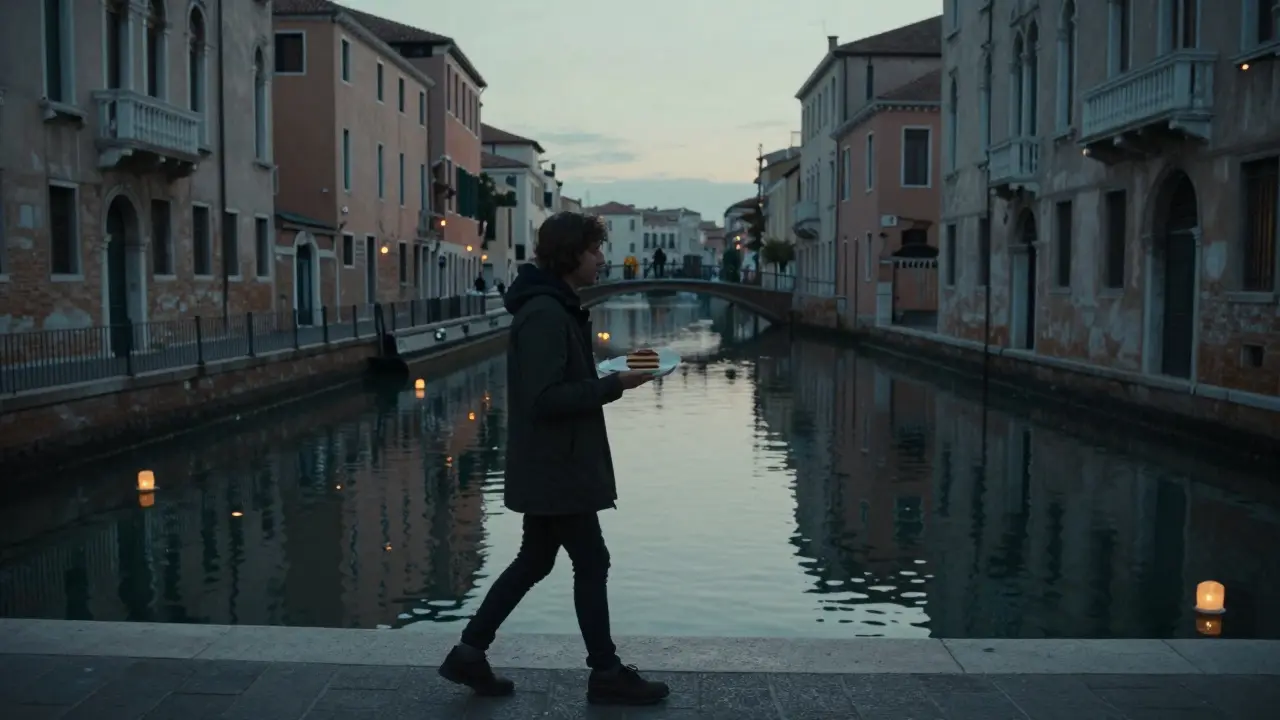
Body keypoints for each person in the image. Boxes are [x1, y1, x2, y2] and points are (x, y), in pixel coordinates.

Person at [437, 212, 671, 707]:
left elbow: (555, 384)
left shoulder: (553, 307)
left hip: (551, 463)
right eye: (594, 251)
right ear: (571, 255)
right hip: (557, 467)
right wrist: (615, 384)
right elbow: (544, 398)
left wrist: (611, 375)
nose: (602, 259)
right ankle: (605, 672)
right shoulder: (545, 313)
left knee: (536, 560)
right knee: (591, 560)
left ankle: (469, 652)